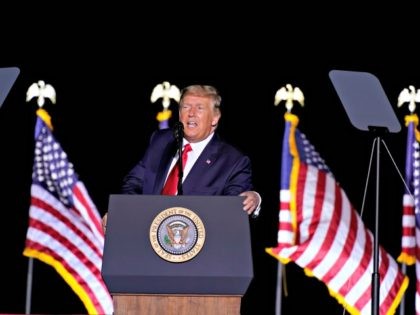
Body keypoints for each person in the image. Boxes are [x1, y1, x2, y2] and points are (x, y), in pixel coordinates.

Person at [103, 84, 260, 229]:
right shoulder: (160, 140)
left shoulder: (233, 161)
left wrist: (254, 198)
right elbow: (134, 183)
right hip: (147, 237)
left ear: (214, 119)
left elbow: (232, 210)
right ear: (179, 113)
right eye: (186, 107)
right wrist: (122, 214)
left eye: (200, 108)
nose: (191, 113)